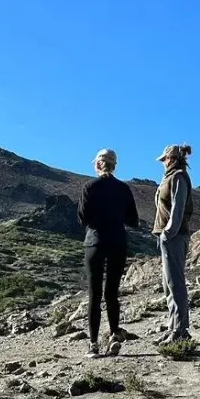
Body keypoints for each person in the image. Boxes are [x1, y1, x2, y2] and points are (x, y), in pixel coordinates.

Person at [77, 148, 139, 358]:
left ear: (97, 164)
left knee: (94, 294)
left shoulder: (89, 187)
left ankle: (93, 344)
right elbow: (133, 220)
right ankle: (114, 334)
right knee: (111, 293)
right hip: (118, 242)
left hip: (94, 242)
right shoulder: (124, 189)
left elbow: (82, 218)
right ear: (114, 165)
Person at [153, 143, 194, 344]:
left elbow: (178, 208)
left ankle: (180, 329)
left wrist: (168, 233)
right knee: (168, 284)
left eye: (164, 159)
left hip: (174, 237)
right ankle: (173, 327)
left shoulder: (178, 177)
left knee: (175, 282)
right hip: (169, 236)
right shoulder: (170, 178)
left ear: (170, 159)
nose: (163, 163)